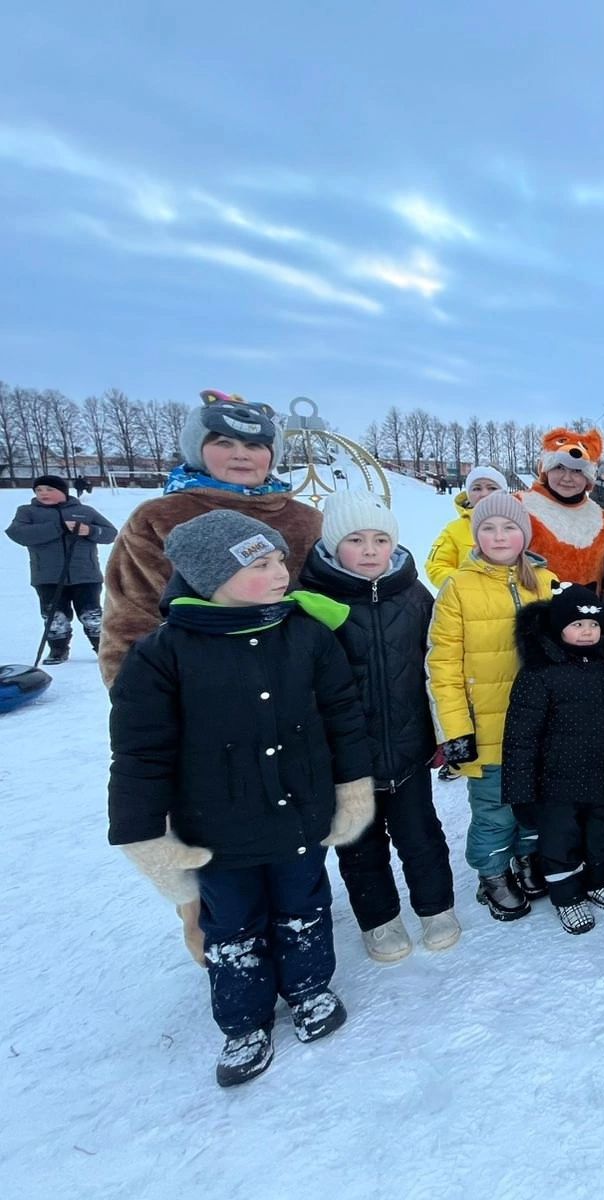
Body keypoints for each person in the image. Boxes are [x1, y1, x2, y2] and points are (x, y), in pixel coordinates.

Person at [107, 511, 374, 1088]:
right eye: (260, 564)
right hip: (216, 826)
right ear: (211, 577)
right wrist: (142, 831)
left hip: (301, 811)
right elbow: (141, 753)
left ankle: (308, 989)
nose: (281, 572)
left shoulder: (306, 633)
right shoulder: (163, 654)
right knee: (231, 924)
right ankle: (243, 1020)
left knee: (305, 905)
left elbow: (343, 717)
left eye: (280, 560)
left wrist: (352, 787)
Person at [299, 492, 458, 963]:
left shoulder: (414, 596)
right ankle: (380, 920)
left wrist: (439, 733)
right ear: (332, 545)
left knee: (422, 835)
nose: (370, 549)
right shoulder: (312, 602)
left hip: (409, 750)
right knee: (361, 847)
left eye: (380, 539)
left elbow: (436, 669)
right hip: (346, 760)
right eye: (355, 539)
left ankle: (436, 908)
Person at [99, 391, 321, 688]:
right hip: (198, 683)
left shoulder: (305, 519)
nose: (240, 454)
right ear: (198, 448)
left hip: (295, 679)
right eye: (223, 443)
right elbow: (132, 615)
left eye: (254, 445)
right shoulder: (161, 516)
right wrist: (136, 697)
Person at [427, 492, 560, 922]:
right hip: (485, 726)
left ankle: (526, 859)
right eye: (488, 527)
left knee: (534, 800)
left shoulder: (544, 581)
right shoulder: (458, 589)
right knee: (494, 807)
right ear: (475, 534)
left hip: (539, 722)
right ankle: (493, 872)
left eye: (509, 527)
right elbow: (442, 665)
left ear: (524, 534)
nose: (499, 536)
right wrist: (454, 731)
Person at [503, 584, 604, 936]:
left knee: (601, 832)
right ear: (558, 627)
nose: (587, 632)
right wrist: (521, 790)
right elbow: (520, 736)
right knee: (560, 841)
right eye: (577, 625)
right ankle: (566, 895)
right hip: (556, 782)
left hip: (602, 774)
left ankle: (596, 879)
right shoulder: (539, 673)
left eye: (593, 625)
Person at [7, 473, 117, 665]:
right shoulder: (28, 512)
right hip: (47, 575)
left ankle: (104, 649)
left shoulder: (85, 512)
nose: (43, 493)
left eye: (49, 489)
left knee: (91, 615)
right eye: (39, 490)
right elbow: (18, 534)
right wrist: (58, 527)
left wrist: (90, 531)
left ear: (63, 492)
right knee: (55, 617)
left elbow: (110, 533)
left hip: (85, 574)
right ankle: (58, 650)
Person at [522, 427, 604, 590]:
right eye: (559, 468)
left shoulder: (601, 520)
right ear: (546, 471)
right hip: (535, 611)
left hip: (588, 612)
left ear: (587, 478)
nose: (567, 478)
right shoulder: (520, 507)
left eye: (577, 471)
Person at [425, 465, 506, 588]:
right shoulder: (454, 530)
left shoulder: (522, 526)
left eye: (492, 488)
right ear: (468, 494)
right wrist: (467, 585)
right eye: (476, 488)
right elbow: (436, 567)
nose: (484, 494)